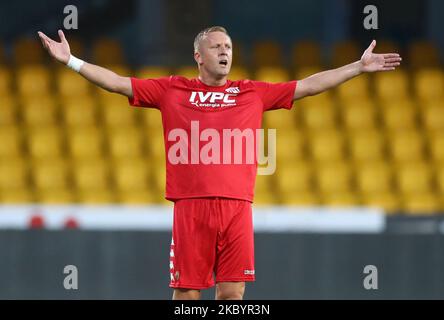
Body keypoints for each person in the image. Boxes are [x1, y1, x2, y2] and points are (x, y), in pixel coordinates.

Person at [37, 26, 401, 300]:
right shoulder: (172, 89)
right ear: (199, 55)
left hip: (237, 208)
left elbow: (307, 85)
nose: (225, 52)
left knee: (232, 295)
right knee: (188, 295)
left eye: (228, 46)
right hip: (191, 208)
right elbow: (117, 83)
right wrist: (71, 60)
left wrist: (357, 67)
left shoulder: (252, 92)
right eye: (216, 47)